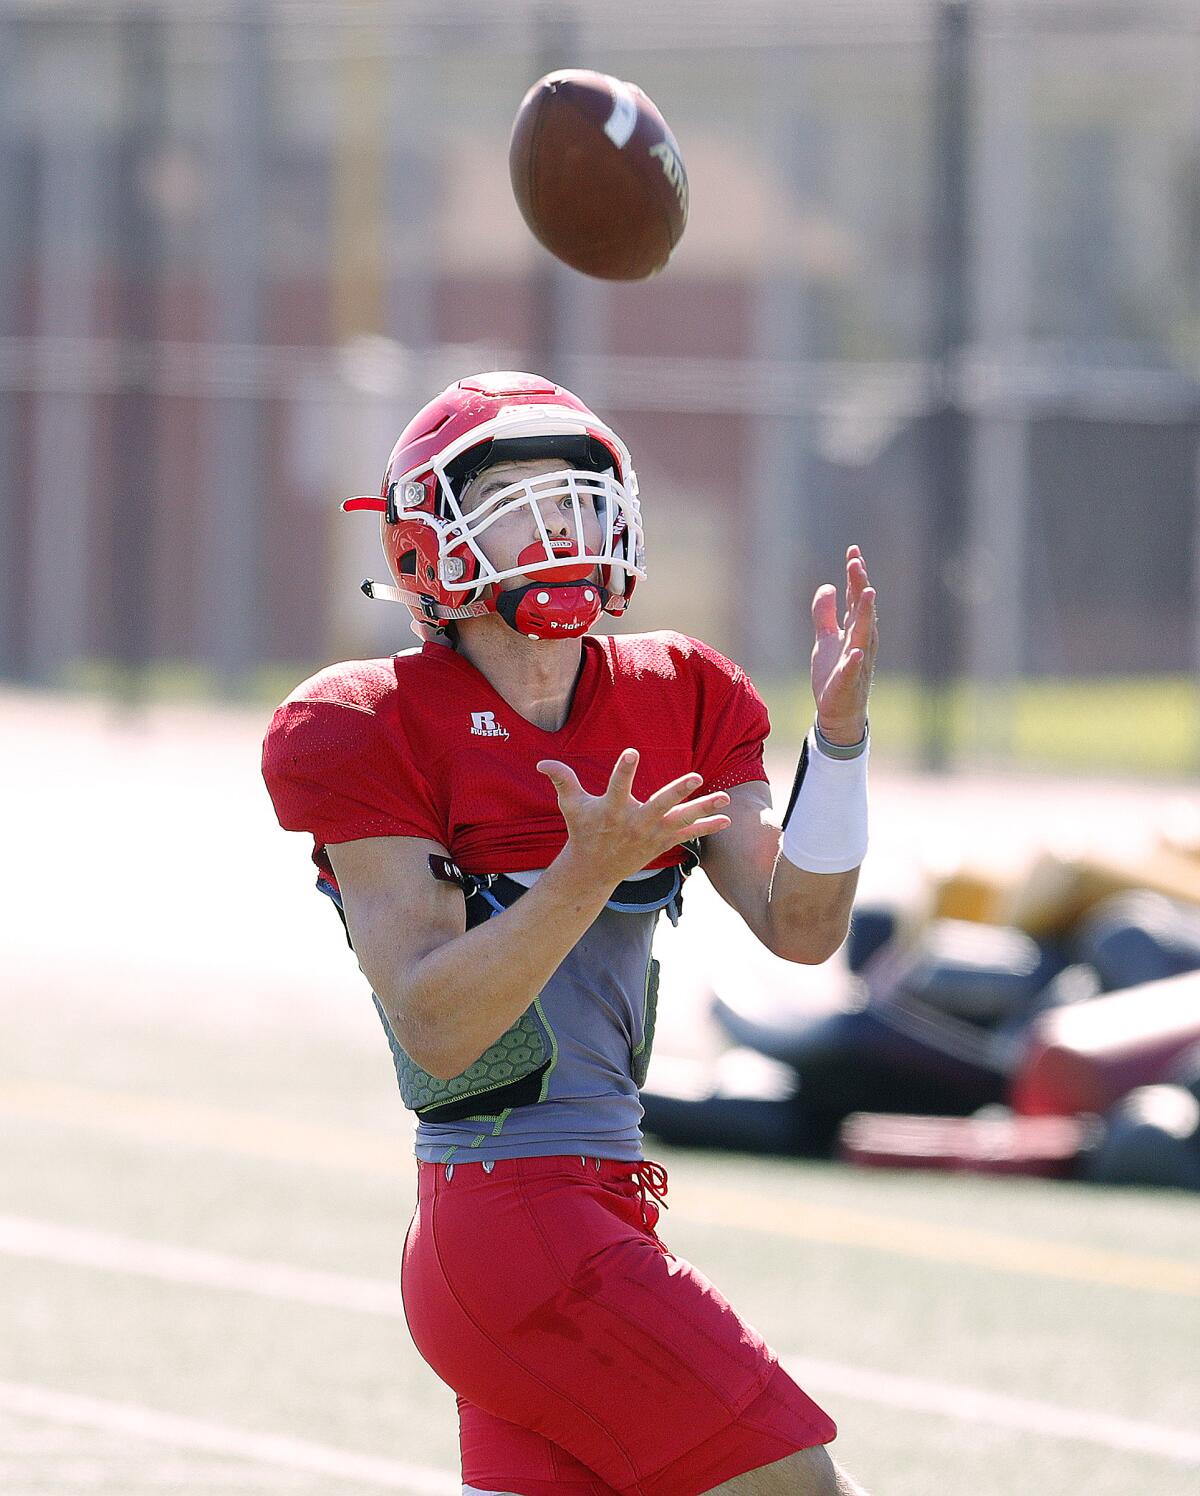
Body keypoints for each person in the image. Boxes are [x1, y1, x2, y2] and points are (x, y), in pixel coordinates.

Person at [262, 371, 878, 1496]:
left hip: (590, 1200)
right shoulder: (361, 720)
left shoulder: (682, 686)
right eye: (514, 496)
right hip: (505, 1216)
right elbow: (440, 1023)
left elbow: (802, 926)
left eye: (577, 494)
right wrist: (580, 873)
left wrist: (837, 745)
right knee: (798, 1484)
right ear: (424, 546)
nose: (557, 523)